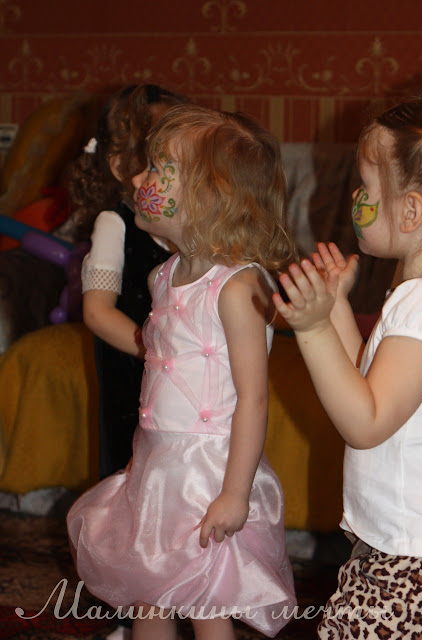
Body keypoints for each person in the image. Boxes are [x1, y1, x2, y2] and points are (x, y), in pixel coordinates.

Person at [67, 104, 297, 639]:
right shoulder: (163, 276)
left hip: (209, 474)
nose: (139, 180)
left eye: (156, 169)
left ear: (206, 196)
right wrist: (141, 461)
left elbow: (253, 398)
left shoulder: (238, 288)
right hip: (157, 470)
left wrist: (235, 493)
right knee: (149, 590)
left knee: (205, 598)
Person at [273, 96, 422, 639]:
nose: (355, 198)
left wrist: (311, 328)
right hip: (415, 549)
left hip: (413, 563)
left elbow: (365, 423)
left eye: (366, 188)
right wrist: (336, 309)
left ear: (411, 212)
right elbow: (370, 387)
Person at [68, 84, 185, 478]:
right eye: (158, 161)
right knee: (131, 472)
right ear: (121, 168)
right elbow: (97, 312)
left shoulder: (187, 232)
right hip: (133, 378)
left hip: (181, 378)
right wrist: (154, 351)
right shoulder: (113, 224)